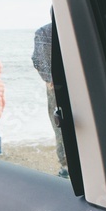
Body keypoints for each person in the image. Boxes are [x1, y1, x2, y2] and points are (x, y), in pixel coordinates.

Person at [32, 23, 70, 177]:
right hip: (79, 84)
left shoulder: (44, 31)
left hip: (56, 87)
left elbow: (38, 59)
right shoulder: (78, 25)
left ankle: (66, 167)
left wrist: (49, 78)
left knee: (60, 124)